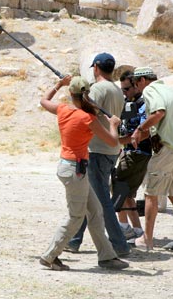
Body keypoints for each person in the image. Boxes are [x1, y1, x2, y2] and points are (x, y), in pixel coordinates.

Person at [39, 75, 129, 271]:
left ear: (71, 94)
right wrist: (113, 125)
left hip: (68, 167)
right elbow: (113, 142)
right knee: (76, 216)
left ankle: (107, 256)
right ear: (87, 94)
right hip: (75, 171)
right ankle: (50, 256)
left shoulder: (63, 109)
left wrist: (58, 84)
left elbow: (43, 100)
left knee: (95, 211)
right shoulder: (88, 118)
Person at [67, 53, 130, 257]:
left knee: (101, 199)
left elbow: (87, 114)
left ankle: (119, 244)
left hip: (96, 150)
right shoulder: (117, 90)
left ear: (95, 68)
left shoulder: (98, 89)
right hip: (111, 150)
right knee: (89, 196)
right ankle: (75, 240)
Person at [130, 67, 173, 251]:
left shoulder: (152, 90)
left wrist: (139, 130)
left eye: (136, 84)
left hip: (169, 149)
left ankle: (147, 240)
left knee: (151, 193)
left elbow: (159, 113)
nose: (137, 88)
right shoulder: (172, 91)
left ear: (142, 80)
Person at [113, 70, 152, 241]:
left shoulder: (144, 104)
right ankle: (136, 230)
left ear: (137, 85)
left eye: (127, 89)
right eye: (122, 89)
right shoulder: (130, 103)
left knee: (119, 190)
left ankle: (123, 228)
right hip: (130, 151)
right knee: (127, 194)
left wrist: (120, 141)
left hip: (136, 152)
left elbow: (146, 131)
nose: (125, 93)